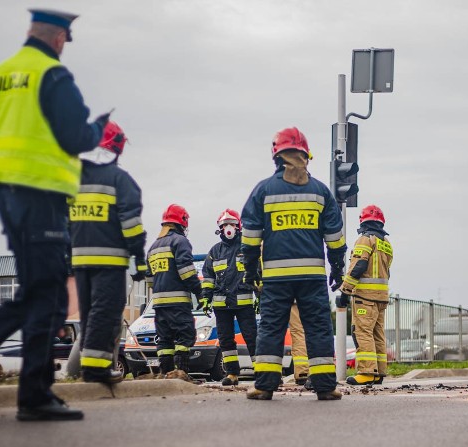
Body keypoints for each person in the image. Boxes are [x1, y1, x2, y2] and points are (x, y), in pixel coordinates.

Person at [0, 9, 107, 420]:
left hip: (8, 193)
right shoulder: (52, 75)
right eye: (65, 40)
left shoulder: (0, 75)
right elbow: (76, 136)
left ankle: (31, 390)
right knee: (47, 290)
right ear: (58, 37)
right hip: (42, 195)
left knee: (42, 290)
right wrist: (96, 129)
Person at [241, 127, 346, 401]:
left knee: (272, 328)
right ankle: (325, 387)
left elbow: (250, 239)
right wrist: (338, 268)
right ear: (305, 155)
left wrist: (251, 272)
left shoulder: (263, 191)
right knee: (319, 327)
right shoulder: (320, 192)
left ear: (276, 156)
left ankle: (264, 386)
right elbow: (335, 239)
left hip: (276, 278)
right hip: (312, 277)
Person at [71, 121, 147, 386]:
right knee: (106, 313)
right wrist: (139, 258)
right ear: (117, 147)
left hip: (80, 261)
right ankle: (94, 371)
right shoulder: (120, 181)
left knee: (90, 313)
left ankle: (96, 368)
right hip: (110, 261)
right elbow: (132, 225)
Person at [338, 205, 394, 385]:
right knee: (377, 334)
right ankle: (379, 372)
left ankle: (367, 372)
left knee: (362, 332)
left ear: (363, 221)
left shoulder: (364, 239)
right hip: (381, 297)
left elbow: (358, 266)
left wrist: (345, 290)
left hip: (365, 297)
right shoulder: (386, 243)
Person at [147, 204, 205, 378]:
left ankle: (166, 375)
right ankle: (181, 375)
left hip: (158, 304)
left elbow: (149, 279)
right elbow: (186, 272)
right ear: (182, 222)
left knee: (164, 340)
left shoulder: (153, 246)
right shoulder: (180, 242)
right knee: (184, 337)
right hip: (178, 303)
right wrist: (199, 292)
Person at [202, 209, 258, 386]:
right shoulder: (214, 252)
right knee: (226, 340)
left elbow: (257, 273)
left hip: (244, 303)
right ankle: (232, 373)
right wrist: (205, 297)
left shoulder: (246, 248)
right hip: (221, 304)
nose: (228, 228)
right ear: (219, 228)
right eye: (224, 225)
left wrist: (260, 296)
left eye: (231, 224)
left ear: (238, 226)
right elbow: (208, 277)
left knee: (252, 337)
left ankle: (261, 370)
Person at [288, 303, 309, 386]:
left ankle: (271, 374)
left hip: (276, 296)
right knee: (298, 332)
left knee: (274, 331)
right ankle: (302, 372)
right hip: (297, 299)